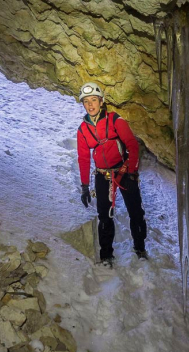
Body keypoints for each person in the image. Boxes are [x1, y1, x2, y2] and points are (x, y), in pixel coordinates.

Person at [77, 82, 147, 267]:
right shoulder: (83, 130)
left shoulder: (116, 120)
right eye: (86, 101)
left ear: (101, 101)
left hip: (123, 170)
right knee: (104, 215)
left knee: (135, 211)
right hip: (102, 175)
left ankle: (140, 248)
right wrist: (84, 186)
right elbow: (83, 158)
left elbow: (132, 144)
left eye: (94, 100)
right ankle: (106, 255)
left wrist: (131, 171)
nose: (90, 104)